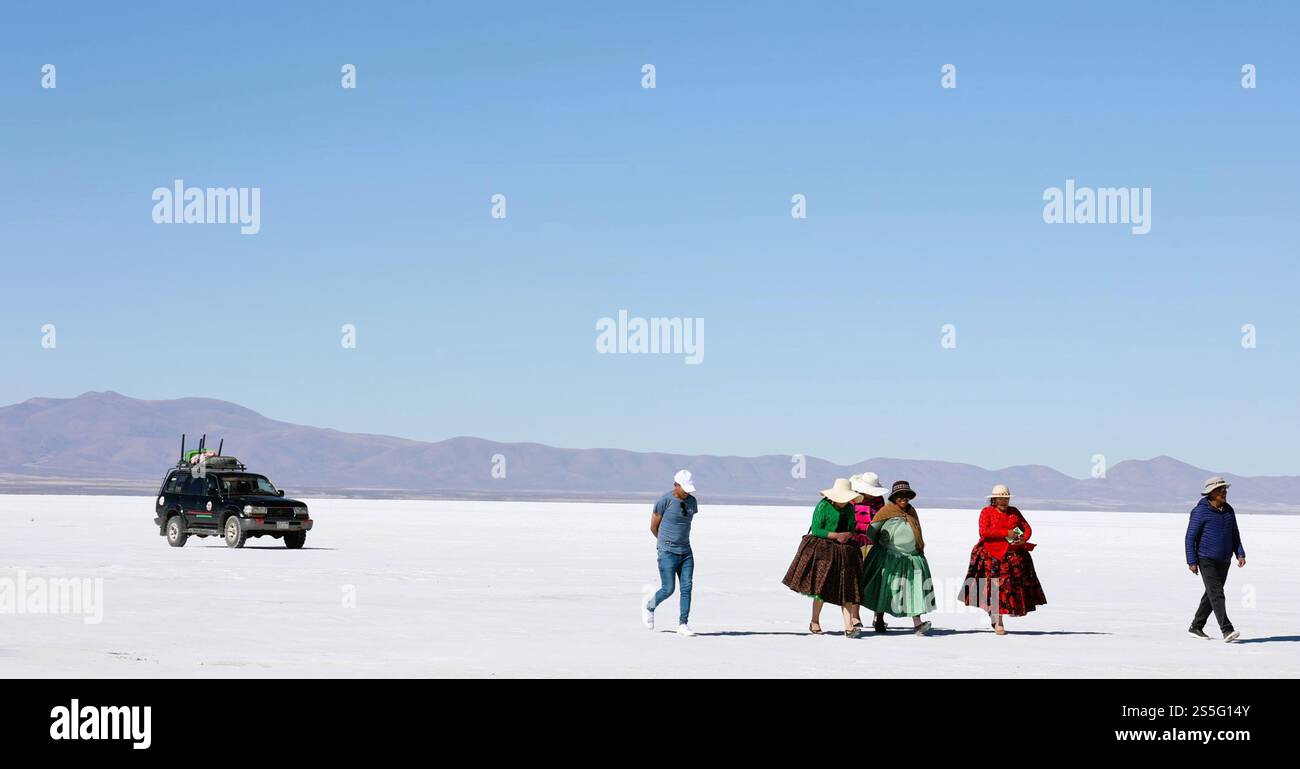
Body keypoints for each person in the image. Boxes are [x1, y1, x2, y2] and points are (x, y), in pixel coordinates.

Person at [958, 484, 1047, 635]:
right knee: (995, 589)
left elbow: (1027, 528)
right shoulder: (986, 512)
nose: (1004, 501)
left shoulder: (1014, 512)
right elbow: (984, 532)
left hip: (1013, 557)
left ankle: (997, 616)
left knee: (1010, 590)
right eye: (1001, 498)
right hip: (992, 557)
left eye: (1006, 498)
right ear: (994, 499)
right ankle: (998, 622)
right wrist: (1006, 532)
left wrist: (1022, 540)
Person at [782, 478, 865, 637]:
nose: (844, 502)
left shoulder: (848, 508)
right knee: (821, 588)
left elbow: (852, 527)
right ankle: (815, 621)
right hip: (824, 551)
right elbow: (817, 529)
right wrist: (835, 535)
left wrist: (848, 534)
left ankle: (848, 627)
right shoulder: (823, 506)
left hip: (845, 552)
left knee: (847, 589)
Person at [861, 481, 935, 635]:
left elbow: (917, 531)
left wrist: (918, 549)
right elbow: (872, 532)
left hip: (911, 557)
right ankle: (879, 619)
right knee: (885, 588)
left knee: (914, 589)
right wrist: (882, 545)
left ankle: (917, 623)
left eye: (906, 495)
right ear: (894, 497)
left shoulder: (911, 512)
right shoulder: (885, 511)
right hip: (889, 556)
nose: (904, 498)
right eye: (900, 495)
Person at [1185, 476, 1245, 643]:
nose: (1224, 492)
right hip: (1206, 559)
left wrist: (1239, 553)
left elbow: (1235, 534)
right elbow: (1190, 538)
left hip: (1224, 560)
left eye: (1225, 489)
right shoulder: (1200, 511)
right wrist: (1192, 561)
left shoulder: (1228, 510)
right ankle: (1227, 629)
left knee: (1211, 594)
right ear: (1211, 493)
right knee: (1217, 594)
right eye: (1221, 490)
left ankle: (1196, 626)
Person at [643, 469, 698, 636]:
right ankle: (649, 606)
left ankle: (683, 624)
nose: (687, 493)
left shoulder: (692, 502)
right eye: (684, 489)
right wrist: (664, 544)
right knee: (668, 588)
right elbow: (653, 526)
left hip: (686, 551)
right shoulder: (664, 501)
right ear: (676, 486)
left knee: (687, 587)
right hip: (667, 551)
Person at [848, 472, 888, 633]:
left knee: (879, 580)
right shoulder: (853, 499)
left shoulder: (879, 500)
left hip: (875, 545)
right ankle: (855, 616)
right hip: (855, 544)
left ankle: (879, 618)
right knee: (856, 580)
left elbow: (883, 520)